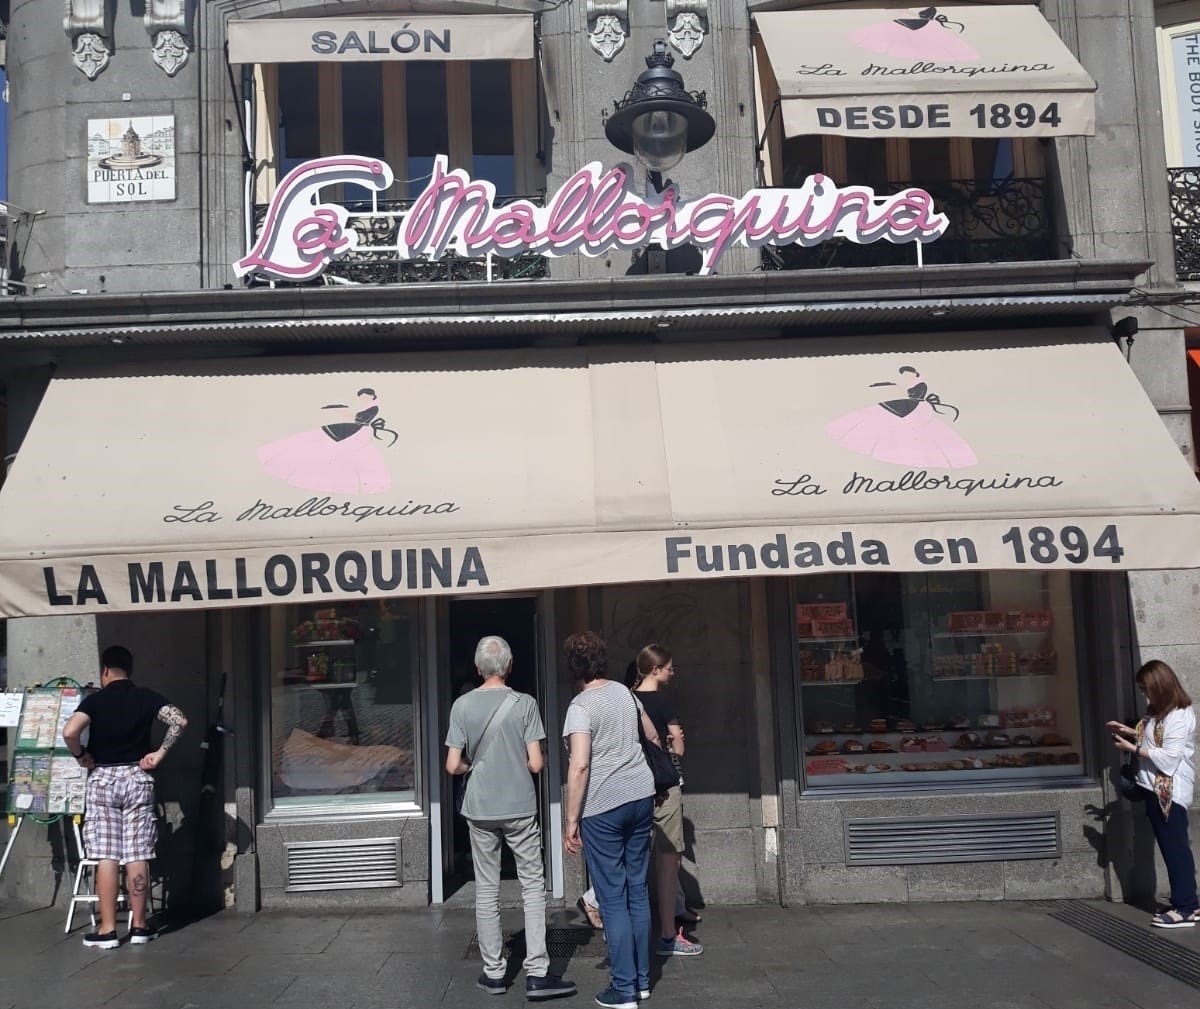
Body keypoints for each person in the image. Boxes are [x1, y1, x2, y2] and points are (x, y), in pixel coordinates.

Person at [445, 636, 576, 1000]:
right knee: (532, 885)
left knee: (486, 889)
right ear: (510, 666)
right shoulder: (525, 704)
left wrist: (474, 766)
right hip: (519, 806)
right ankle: (538, 973)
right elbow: (536, 763)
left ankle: (494, 974)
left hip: (480, 808)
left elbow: (453, 765)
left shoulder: (461, 705)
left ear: (478, 668)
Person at [62, 645, 188, 949]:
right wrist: (159, 754)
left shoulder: (95, 701)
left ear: (105, 670)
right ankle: (140, 927)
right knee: (136, 853)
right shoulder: (145, 697)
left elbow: (69, 732)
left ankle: (107, 930)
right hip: (137, 777)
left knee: (106, 854)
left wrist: (81, 755)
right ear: (129, 670)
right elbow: (180, 721)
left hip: (104, 778)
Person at [563, 631, 658, 1009]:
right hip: (640, 795)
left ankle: (623, 989)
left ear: (574, 667)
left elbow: (580, 765)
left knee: (612, 898)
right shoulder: (625, 693)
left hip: (603, 805)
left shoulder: (580, 707)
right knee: (638, 889)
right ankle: (643, 981)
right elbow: (652, 735)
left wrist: (571, 819)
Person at [1109, 659, 1198, 927]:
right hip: (1155, 790)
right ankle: (1187, 903)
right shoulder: (1159, 712)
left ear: (1160, 686)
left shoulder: (1179, 715)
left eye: (1146, 689)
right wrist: (1128, 732)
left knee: (1175, 849)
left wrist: (1132, 748)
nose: (1144, 694)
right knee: (1172, 847)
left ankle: (1186, 907)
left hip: (1169, 793)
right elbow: (1153, 739)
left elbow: (1169, 758)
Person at [631, 645, 703, 956]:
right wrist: (672, 743)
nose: (673, 673)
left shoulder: (626, 699)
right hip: (664, 786)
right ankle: (667, 935)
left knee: (630, 861)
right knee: (667, 863)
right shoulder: (664, 701)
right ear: (655, 669)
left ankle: (627, 932)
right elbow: (680, 749)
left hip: (632, 786)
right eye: (669, 668)